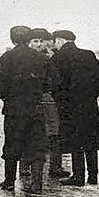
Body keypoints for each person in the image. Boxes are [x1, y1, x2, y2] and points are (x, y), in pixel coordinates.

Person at [0, 26, 52, 193]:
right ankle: (36, 184)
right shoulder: (40, 57)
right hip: (35, 107)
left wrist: (7, 97)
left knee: (12, 143)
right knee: (36, 145)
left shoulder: (7, 57)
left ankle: (9, 181)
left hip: (13, 109)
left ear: (12, 38)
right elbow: (53, 81)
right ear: (28, 39)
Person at [52, 30, 99, 186]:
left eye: (56, 41)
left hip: (69, 107)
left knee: (76, 142)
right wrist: (91, 95)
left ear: (60, 40)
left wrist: (61, 101)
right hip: (89, 105)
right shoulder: (88, 55)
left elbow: (56, 84)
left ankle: (78, 176)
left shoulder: (58, 58)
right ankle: (93, 176)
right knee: (90, 139)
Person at [32, 28, 69, 178]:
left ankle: (29, 168)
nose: (43, 43)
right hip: (46, 99)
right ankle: (54, 167)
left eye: (44, 40)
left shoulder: (51, 56)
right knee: (50, 133)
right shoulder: (50, 57)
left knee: (48, 133)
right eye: (39, 40)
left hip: (41, 99)